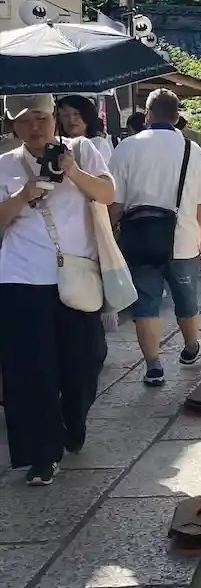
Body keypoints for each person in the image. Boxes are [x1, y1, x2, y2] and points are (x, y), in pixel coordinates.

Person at [0, 93, 115, 483]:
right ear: (13, 126)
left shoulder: (82, 151)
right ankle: (42, 454)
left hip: (76, 275)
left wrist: (73, 172)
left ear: (54, 118)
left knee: (87, 360)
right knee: (31, 369)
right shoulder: (5, 165)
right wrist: (23, 195)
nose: (34, 127)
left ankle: (72, 419)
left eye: (41, 117)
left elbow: (108, 195)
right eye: (24, 120)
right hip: (21, 277)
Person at [109, 89, 201, 388]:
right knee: (186, 300)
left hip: (139, 240)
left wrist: (108, 233)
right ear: (177, 117)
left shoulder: (126, 147)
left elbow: (115, 203)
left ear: (147, 115)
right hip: (182, 241)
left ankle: (153, 367)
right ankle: (191, 348)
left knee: (145, 304)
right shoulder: (191, 149)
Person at [57, 94, 115, 166]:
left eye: (76, 114)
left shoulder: (98, 144)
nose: (71, 119)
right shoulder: (56, 146)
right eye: (65, 115)